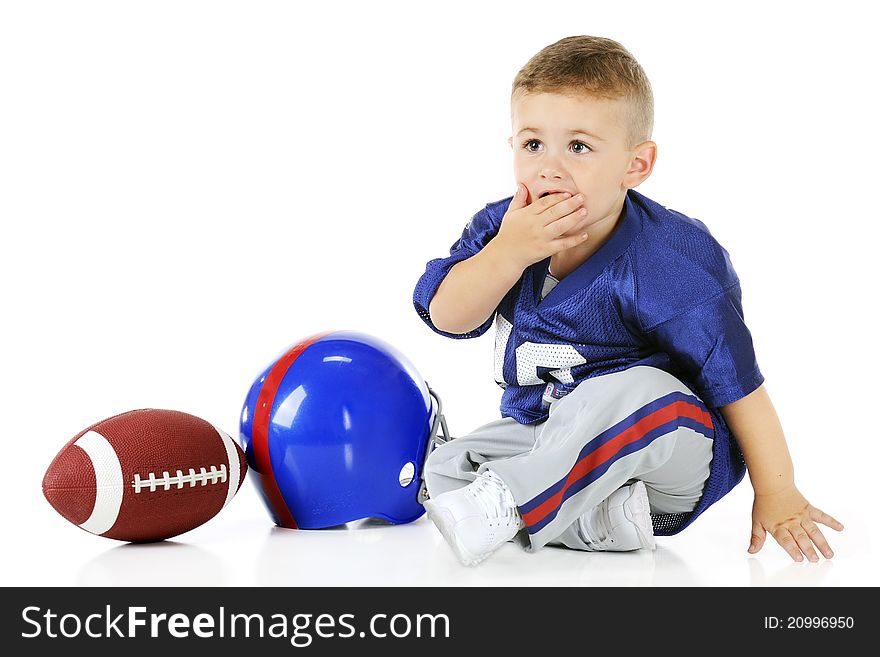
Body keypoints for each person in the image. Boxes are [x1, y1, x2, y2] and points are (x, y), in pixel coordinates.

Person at [412, 35, 843, 567]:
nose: (548, 168)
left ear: (636, 165)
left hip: (671, 451)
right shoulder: (501, 230)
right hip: (556, 444)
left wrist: (778, 492)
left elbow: (741, 388)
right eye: (532, 145)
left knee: (633, 391)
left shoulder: (667, 258)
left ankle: (512, 502)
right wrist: (507, 254)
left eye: (578, 147)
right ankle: (600, 520)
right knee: (450, 466)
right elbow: (448, 316)